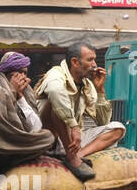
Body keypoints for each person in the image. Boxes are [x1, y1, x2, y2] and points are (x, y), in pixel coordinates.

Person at [35, 42, 125, 177]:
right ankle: (72, 158)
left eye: (94, 59)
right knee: (55, 105)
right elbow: (54, 90)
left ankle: (77, 155)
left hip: (73, 141)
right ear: (75, 62)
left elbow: (102, 122)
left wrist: (100, 90)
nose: (94, 64)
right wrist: (74, 126)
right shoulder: (56, 74)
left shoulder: (87, 85)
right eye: (90, 60)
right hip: (50, 137)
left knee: (118, 128)